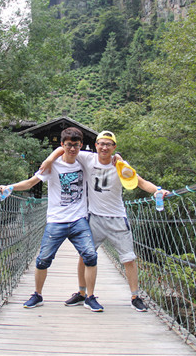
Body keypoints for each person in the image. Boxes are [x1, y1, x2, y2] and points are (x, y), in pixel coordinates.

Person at [41, 130, 170, 312]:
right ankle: (82, 293)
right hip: (94, 218)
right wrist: (48, 160)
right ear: (96, 145)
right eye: (101, 143)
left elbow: (140, 182)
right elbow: (65, 147)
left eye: (108, 144)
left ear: (114, 147)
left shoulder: (121, 165)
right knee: (85, 255)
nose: (104, 147)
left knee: (128, 258)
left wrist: (157, 190)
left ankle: (135, 296)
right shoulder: (88, 158)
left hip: (117, 218)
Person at [0, 127, 103, 312]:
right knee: (43, 260)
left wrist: (119, 160)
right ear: (62, 145)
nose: (72, 149)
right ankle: (37, 294)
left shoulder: (84, 162)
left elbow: (104, 155)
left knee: (90, 255)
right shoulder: (52, 166)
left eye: (76, 145)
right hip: (56, 220)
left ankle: (90, 297)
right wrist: (10, 187)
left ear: (81, 146)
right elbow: (31, 182)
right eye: (68, 145)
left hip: (79, 219)